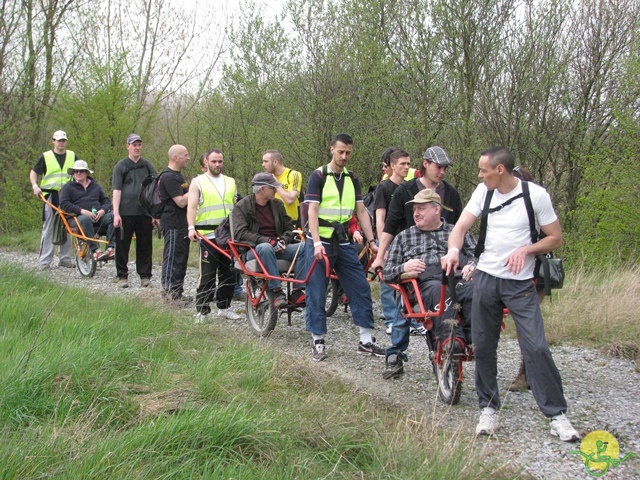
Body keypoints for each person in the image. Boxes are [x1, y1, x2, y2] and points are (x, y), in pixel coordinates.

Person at [441, 146, 580, 442]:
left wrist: (527, 249)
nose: (479, 175)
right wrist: (454, 250)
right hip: (486, 280)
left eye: (483, 170)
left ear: (499, 170)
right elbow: (461, 227)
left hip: (520, 284)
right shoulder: (483, 192)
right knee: (483, 345)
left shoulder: (535, 195)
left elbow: (555, 238)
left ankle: (557, 415)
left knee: (536, 346)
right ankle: (488, 409)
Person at [381, 189, 476, 379]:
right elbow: (387, 273)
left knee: (476, 290)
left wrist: (473, 266)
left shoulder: (456, 232)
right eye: (415, 209)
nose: (416, 213)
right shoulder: (404, 237)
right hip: (424, 285)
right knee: (437, 290)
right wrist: (404, 267)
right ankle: (452, 339)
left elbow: (478, 256)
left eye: (421, 208)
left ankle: (476, 341)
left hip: (457, 279)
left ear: (436, 210)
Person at [304, 133, 383, 362]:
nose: (344, 156)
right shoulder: (318, 176)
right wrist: (317, 242)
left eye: (348, 152)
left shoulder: (352, 178)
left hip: (343, 239)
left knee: (360, 287)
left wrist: (371, 242)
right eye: (340, 152)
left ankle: (366, 340)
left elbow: (361, 212)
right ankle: (318, 340)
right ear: (332, 150)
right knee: (317, 290)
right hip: (320, 240)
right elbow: (312, 211)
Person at [231, 173, 306, 307]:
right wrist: (268, 241)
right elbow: (240, 233)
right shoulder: (242, 206)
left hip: (277, 246)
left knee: (305, 247)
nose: (276, 190)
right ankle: (276, 291)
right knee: (265, 247)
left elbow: (289, 228)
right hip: (253, 249)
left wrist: (283, 240)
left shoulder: (277, 204)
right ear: (263, 189)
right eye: (273, 188)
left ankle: (297, 290)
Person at [187, 149, 241, 322]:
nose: (217, 164)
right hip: (207, 235)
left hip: (228, 235)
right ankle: (202, 310)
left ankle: (224, 307)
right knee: (208, 274)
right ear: (207, 162)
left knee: (229, 273)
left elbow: (235, 206)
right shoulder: (198, 182)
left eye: (220, 161)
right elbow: (192, 207)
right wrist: (190, 227)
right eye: (214, 161)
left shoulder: (231, 182)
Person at [373, 149, 411, 334]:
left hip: (406, 241)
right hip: (389, 240)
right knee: (387, 282)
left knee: (406, 280)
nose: (406, 167)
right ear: (393, 165)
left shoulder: (410, 187)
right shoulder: (384, 187)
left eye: (408, 164)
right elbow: (380, 217)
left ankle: (405, 317)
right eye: (402, 164)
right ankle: (390, 319)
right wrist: (382, 245)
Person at [112, 134, 156, 288]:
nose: (137, 148)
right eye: (134, 145)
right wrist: (116, 213)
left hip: (144, 213)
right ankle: (122, 276)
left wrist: (154, 214)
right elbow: (116, 190)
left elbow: (154, 191)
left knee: (145, 245)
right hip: (125, 212)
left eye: (139, 145)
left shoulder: (148, 166)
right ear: (127, 146)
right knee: (122, 245)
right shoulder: (121, 166)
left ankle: (145, 276)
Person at [29, 130, 75, 269]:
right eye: (59, 140)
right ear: (53, 141)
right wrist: (35, 186)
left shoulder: (72, 155)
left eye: (63, 140)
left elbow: (81, 171)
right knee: (49, 227)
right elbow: (33, 172)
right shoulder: (46, 156)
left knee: (68, 227)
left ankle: (65, 258)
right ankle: (45, 261)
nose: (61, 143)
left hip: (68, 196)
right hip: (50, 196)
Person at [59, 160, 115, 259]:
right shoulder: (67, 187)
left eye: (81, 171)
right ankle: (95, 251)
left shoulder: (96, 186)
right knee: (85, 219)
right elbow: (64, 204)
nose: (78, 173)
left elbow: (106, 202)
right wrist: (82, 211)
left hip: (98, 217)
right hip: (77, 218)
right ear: (73, 173)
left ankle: (110, 249)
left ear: (87, 173)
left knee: (114, 216)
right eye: (76, 171)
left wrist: (102, 211)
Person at [158, 145, 191, 305]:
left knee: (181, 258)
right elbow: (180, 202)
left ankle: (178, 293)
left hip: (182, 224)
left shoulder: (179, 176)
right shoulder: (168, 177)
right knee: (171, 257)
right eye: (185, 155)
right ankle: (168, 294)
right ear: (175, 158)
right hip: (172, 224)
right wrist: (197, 188)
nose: (188, 158)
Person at [261, 149, 303, 224]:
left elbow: (290, 200)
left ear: (275, 162)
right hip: (271, 224)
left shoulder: (293, 174)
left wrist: (275, 183)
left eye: (266, 161)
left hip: (290, 224)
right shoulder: (266, 178)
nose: (263, 164)